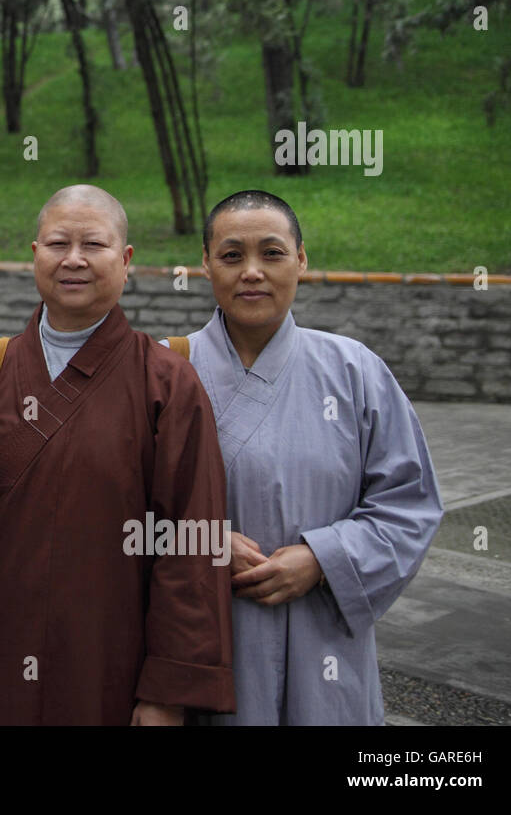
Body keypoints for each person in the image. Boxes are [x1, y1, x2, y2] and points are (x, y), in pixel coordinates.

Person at [0, 185, 235, 725]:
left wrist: (166, 692)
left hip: (111, 665)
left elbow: (192, 540)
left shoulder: (165, 381)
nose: (74, 259)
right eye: (58, 243)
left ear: (125, 260)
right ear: (35, 254)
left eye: (94, 244)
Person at [176, 189, 442, 725]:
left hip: (324, 634)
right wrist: (200, 542)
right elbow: (120, 511)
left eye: (271, 253)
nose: (252, 271)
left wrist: (325, 559)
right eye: (232, 255)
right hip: (207, 639)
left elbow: (410, 504)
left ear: (301, 259)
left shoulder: (354, 371)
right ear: (205, 264)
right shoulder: (165, 372)